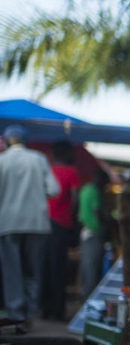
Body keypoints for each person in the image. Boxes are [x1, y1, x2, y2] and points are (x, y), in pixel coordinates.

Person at [0, 125, 60, 326]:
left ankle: (16, 314)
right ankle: (30, 314)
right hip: (37, 224)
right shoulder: (39, 159)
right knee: (33, 270)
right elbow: (53, 189)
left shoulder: (2, 160)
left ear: (7, 140)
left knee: (12, 271)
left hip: (8, 224)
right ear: (25, 140)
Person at [44, 140, 81, 320]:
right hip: (61, 225)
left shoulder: (49, 170)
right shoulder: (71, 172)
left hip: (44, 223)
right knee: (59, 268)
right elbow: (74, 200)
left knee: (45, 267)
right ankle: (58, 311)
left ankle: (46, 310)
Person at [78, 169, 110, 301]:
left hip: (85, 233)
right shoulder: (95, 191)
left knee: (87, 268)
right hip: (94, 233)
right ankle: (90, 300)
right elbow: (97, 212)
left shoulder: (85, 189)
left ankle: (85, 297)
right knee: (93, 270)